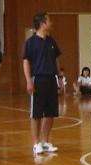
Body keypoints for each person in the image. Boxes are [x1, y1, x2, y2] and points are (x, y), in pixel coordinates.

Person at [23, 11, 63, 155]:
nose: (51, 22)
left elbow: (56, 60)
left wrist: (59, 77)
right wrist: (29, 80)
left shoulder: (51, 41)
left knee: (51, 113)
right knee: (36, 114)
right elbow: (26, 61)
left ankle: (45, 142)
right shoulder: (31, 42)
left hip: (51, 79)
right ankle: (36, 143)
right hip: (37, 79)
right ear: (42, 23)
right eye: (49, 20)